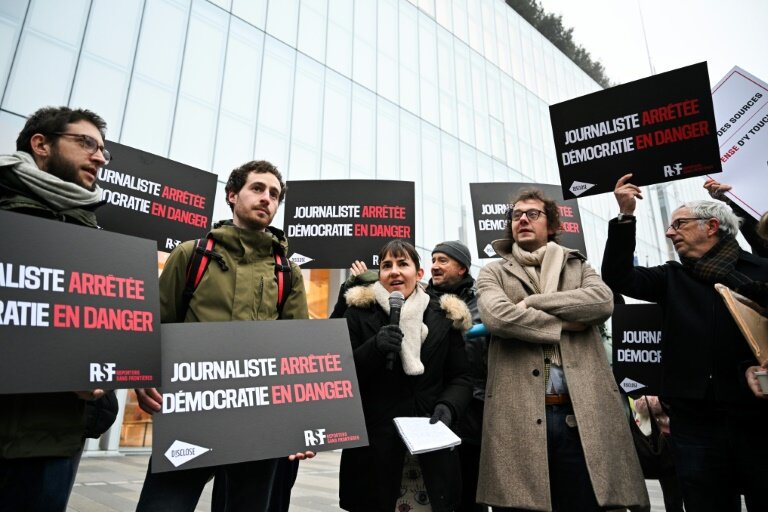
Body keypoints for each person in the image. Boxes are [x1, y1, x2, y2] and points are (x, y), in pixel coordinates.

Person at [134, 160, 313, 512]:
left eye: (274, 194)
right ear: (232, 195)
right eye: (257, 189)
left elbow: (300, 354)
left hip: (260, 424)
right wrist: (142, 376)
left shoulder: (288, 272)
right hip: (191, 417)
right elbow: (153, 323)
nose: (266, 199)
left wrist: (302, 424)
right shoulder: (191, 254)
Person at [602, 173, 768, 512]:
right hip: (694, 422)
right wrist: (625, 216)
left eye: (679, 224)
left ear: (710, 227)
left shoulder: (758, 272)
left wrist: (733, 205)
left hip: (757, 418)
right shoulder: (672, 277)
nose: (669, 232)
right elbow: (618, 276)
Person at [476, 188, 649, 512]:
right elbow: (499, 317)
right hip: (518, 418)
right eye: (516, 215)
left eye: (533, 214)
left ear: (552, 224)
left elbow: (600, 302)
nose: (523, 219)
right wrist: (565, 324)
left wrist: (530, 303)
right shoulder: (493, 271)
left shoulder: (578, 266)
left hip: (581, 417)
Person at [0, 106, 116, 511]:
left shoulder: (93, 236)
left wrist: (102, 378)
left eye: (103, 150)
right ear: (41, 145)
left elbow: (105, 333)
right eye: (86, 143)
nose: (99, 157)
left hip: (56, 440)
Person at [340, 239, 472, 512]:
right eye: (386, 265)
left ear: (419, 273)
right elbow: (340, 375)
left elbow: (460, 377)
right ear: (379, 274)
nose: (394, 272)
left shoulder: (443, 315)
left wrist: (448, 407)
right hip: (375, 450)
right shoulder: (357, 313)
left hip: (429, 448)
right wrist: (374, 348)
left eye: (403, 264)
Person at [425, 240, 489, 512]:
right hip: (435, 406)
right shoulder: (423, 300)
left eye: (443, 260)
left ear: (462, 268)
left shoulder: (483, 302)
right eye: (433, 260)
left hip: (476, 407)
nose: (435, 266)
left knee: (472, 489)